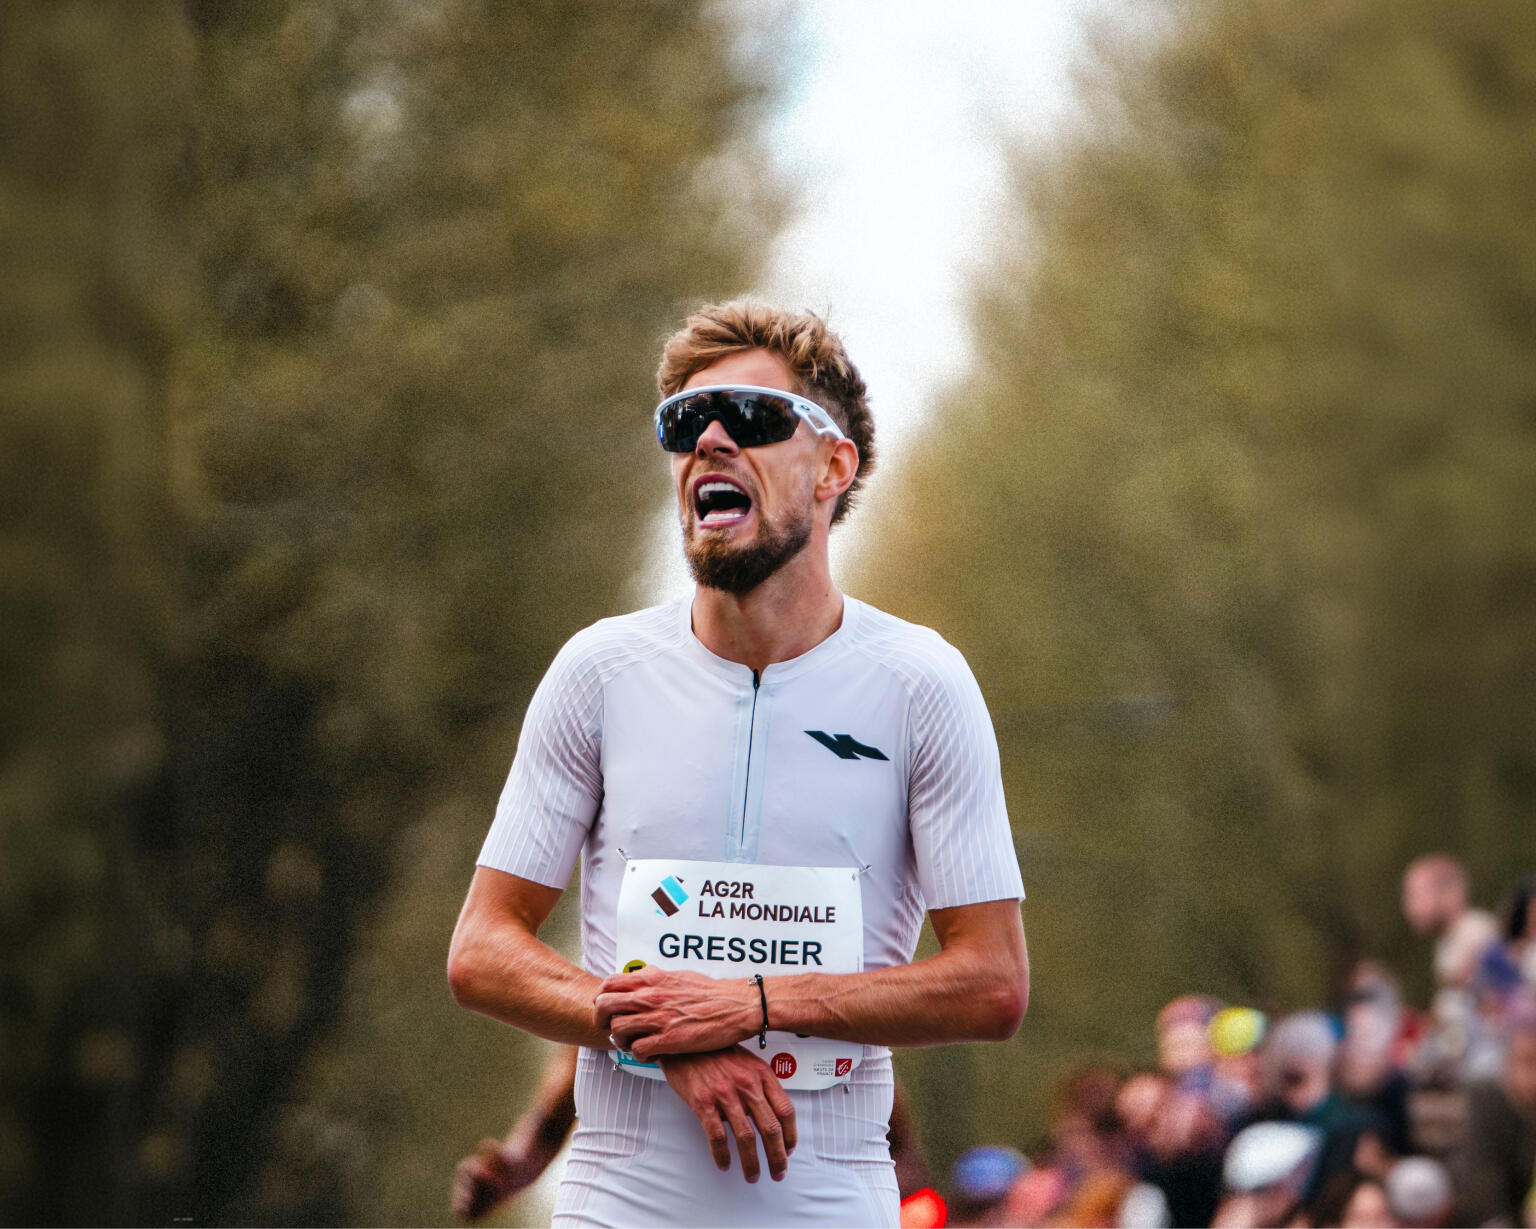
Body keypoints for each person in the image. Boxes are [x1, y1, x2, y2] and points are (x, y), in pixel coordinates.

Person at [447, 302, 1029, 1227]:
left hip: (830, 1197)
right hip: (620, 1198)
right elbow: (482, 948)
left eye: (752, 418)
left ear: (834, 467)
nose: (710, 440)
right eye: (685, 423)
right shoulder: (598, 671)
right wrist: (666, 1032)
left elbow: (992, 982)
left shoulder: (923, 683)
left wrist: (752, 1003)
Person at [449, 1047, 934, 1219]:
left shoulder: (821, 1015)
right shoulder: (633, 995)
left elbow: (899, 1153)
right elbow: (548, 1125)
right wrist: (510, 1170)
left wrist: (896, 1210)